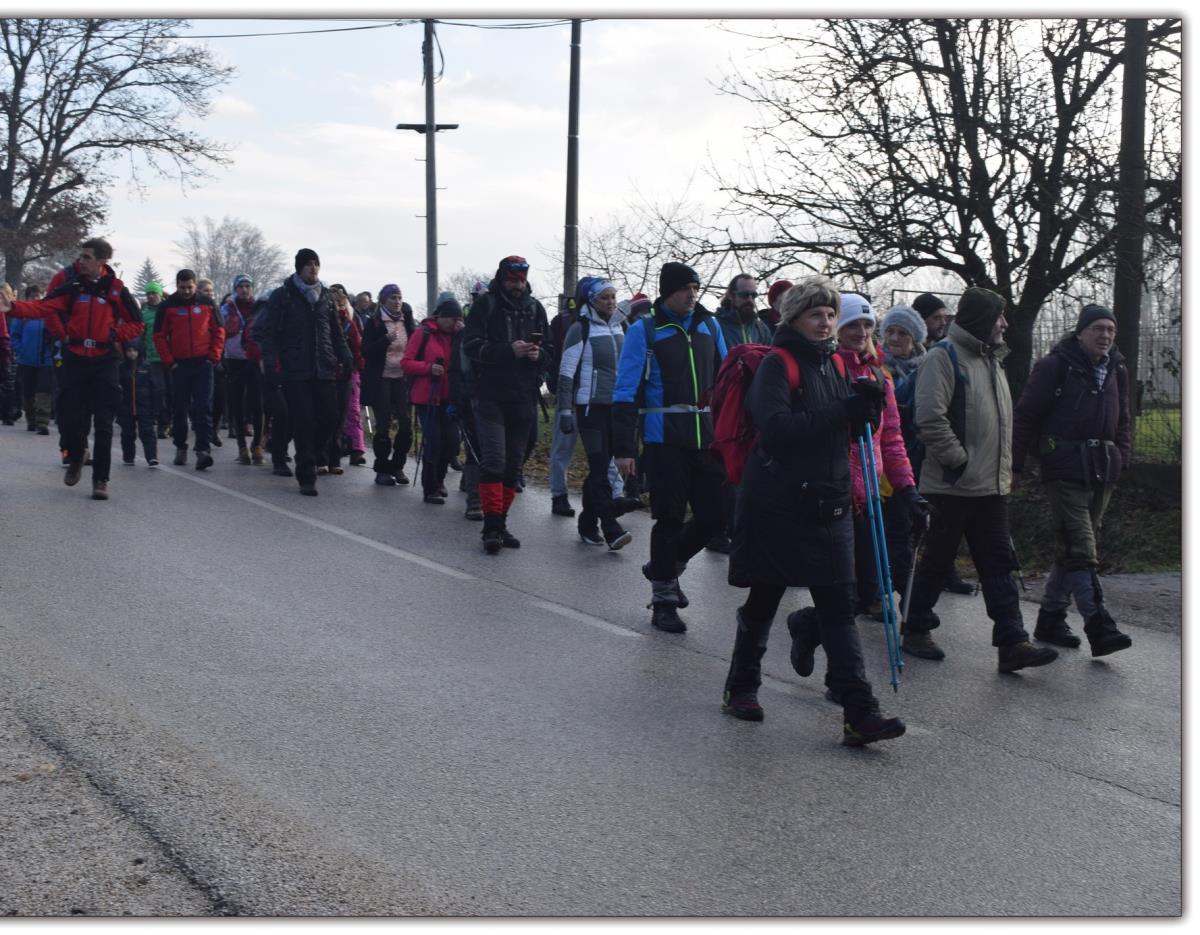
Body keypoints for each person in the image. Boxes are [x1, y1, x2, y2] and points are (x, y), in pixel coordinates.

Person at [722, 275, 905, 745]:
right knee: (765, 597)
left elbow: (842, 432)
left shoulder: (838, 365)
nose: (825, 323)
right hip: (777, 503)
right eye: (815, 315)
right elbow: (776, 429)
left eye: (829, 315)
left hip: (829, 500)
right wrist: (844, 412)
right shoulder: (778, 364)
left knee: (839, 607)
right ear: (794, 319)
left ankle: (859, 713)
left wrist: (863, 412)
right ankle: (742, 687)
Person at [903, 287, 1059, 672]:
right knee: (937, 562)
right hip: (951, 486)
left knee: (999, 563)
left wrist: (1003, 471)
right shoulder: (943, 358)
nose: (1004, 324)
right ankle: (916, 627)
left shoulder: (992, 360)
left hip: (990, 487)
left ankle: (1013, 642)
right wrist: (959, 462)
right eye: (998, 317)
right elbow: (930, 418)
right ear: (981, 319)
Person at [1012, 304, 1133, 656]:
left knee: (1072, 547)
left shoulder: (1116, 368)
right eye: (1097, 328)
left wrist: (1122, 457)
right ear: (1080, 332)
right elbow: (1025, 416)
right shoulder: (1055, 366)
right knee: (1081, 546)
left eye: (1110, 329)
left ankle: (1050, 619)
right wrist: (1015, 466)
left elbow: (1124, 419)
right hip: (1064, 469)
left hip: (1103, 470)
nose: (1105, 335)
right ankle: (1100, 626)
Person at [612, 262, 727, 632]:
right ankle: (663, 601)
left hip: (707, 439)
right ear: (667, 292)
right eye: (684, 289)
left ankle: (665, 565)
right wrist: (624, 447)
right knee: (669, 519)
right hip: (663, 440)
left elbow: (727, 381)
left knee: (716, 517)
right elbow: (626, 389)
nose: (692, 295)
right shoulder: (645, 330)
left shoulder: (710, 326)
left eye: (695, 288)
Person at [0, 238, 143, 500]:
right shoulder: (73, 287)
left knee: (104, 422)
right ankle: (76, 456)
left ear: (102, 261)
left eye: (87, 257)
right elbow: (44, 306)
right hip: (75, 359)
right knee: (70, 417)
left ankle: (100, 480)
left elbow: (137, 323)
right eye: (80, 256)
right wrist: (14, 307)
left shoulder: (116, 290)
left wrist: (114, 334)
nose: (81, 261)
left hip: (104, 361)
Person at [833, 294, 928, 618]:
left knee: (862, 592)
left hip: (870, 493)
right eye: (852, 325)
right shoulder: (826, 368)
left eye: (867, 325)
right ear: (837, 328)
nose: (861, 332)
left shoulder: (879, 375)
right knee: (840, 591)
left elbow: (892, 438)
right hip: (832, 491)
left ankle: (807, 626)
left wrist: (907, 487)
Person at [462, 255, 552, 553]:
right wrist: (508, 351)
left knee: (513, 466)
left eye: (521, 280)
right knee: (494, 461)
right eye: (512, 280)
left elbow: (551, 350)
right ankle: (490, 528)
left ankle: (500, 523)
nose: (517, 285)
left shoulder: (535, 308)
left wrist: (539, 356)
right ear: (502, 279)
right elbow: (470, 346)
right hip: (489, 395)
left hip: (524, 396)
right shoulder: (485, 306)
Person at [252, 247, 353, 496]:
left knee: (330, 418)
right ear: (299, 268)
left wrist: (346, 356)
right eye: (308, 264)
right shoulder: (283, 296)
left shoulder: (326, 297)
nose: (313, 268)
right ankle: (306, 475)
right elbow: (269, 333)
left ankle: (312, 454)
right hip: (295, 370)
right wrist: (270, 363)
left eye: (316, 263)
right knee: (304, 421)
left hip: (324, 368)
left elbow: (336, 333)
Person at [556, 277, 632, 549]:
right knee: (600, 467)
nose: (611, 302)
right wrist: (565, 410)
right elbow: (566, 373)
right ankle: (611, 528)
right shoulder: (581, 328)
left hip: (617, 408)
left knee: (599, 470)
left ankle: (587, 524)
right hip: (589, 408)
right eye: (604, 297)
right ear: (592, 300)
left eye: (613, 297)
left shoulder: (622, 326)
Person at [710, 273, 773, 555]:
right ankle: (723, 530)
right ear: (731, 295)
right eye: (745, 295)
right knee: (727, 468)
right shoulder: (717, 326)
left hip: (756, 407)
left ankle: (745, 530)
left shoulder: (761, 328)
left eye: (754, 295)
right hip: (726, 405)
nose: (750, 300)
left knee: (751, 470)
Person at [153, 269, 224, 470]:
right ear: (177, 286)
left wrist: (213, 357)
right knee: (180, 409)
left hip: (203, 364)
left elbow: (219, 331)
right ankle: (180, 446)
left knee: (203, 407)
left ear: (195, 285)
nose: (186, 291)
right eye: (182, 287)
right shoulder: (167, 306)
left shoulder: (208, 303)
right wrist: (170, 362)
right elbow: (159, 336)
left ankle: (203, 450)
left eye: (189, 287)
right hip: (179, 365)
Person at [403, 291, 463, 503]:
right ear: (441, 317)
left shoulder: (458, 336)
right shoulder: (423, 333)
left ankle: (439, 479)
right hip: (427, 397)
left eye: (458, 319)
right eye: (453, 318)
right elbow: (406, 363)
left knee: (452, 443)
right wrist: (428, 368)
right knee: (434, 442)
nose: (455, 323)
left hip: (450, 398)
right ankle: (430, 488)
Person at [360, 283, 415, 487]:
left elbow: (415, 344)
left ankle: (397, 466)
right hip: (381, 377)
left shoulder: (406, 319)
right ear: (384, 300)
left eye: (399, 297)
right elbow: (365, 351)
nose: (397, 301)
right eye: (393, 298)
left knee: (406, 424)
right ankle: (382, 469)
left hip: (402, 377)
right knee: (383, 423)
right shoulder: (374, 322)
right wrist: (384, 340)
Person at [220, 274, 265, 465]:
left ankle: (257, 445)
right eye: (241, 286)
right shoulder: (226, 309)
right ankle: (241, 447)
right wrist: (220, 357)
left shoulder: (260, 308)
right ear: (235, 289)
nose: (244, 290)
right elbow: (220, 333)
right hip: (234, 361)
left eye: (248, 286)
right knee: (236, 404)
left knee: (258, 404)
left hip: (255, 361)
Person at [10, 286, 56, 435]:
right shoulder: (22, 316)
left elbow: (57, 333)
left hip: (46, 360)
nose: (36, 298)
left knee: (44, 389)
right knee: (28, 390)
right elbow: (14, 335)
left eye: (38, 295)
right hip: (26, 360)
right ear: (28, 298)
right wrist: (20, 350)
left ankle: (42, 422)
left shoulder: (48, 314)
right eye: (33, 296)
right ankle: (31, 418)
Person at [331, 286, 367, 468]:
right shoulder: (322, 322)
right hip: (328, 373)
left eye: (341, 301)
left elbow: (358, 347)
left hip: (349, 372)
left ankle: (356, 449)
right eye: (335, 302)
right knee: (331, 414)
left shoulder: (351, 323)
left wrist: (358, 368)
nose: (339, 305)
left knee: (352, 411)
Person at [117, 339, 159, 466]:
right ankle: (128, 456)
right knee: (127, 434)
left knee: (147, 432)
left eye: (135, 350)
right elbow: (117, 388)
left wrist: (156, 408)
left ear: (139, 351)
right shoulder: (121, 368)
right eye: (129, 351)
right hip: (126, 406)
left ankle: (151, 457)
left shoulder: (146, 367)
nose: (132, 353)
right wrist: (117, 408)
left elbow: (154, 388)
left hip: (144, 406)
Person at [140, 281, 172, 439]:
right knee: (159, 390)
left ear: (160, 294)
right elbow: (141, 336)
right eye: (148, 294)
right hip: (153, 358)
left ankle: (171, 421)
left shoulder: (168, 310)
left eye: (154, 293)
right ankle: (162, 423)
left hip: (171, 357)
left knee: (172, 391)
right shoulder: (144, 314)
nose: (151, 296)